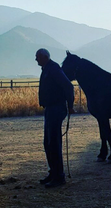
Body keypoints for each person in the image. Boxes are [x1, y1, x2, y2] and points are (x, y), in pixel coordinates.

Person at [35, 48, 75, 188]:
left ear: (45, 57)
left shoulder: (53, 68)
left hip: (56, 109)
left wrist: (70, 105)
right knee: (48, 143)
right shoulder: (48, 68)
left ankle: (59, 177)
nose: (36, 60)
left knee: (54, 143)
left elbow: (68, 86)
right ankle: (54, 173)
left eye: (38, 57)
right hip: (50, 109)